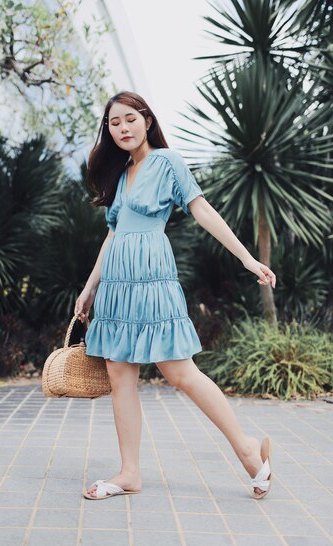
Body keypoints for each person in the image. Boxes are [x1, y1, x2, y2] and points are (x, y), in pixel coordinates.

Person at [75, 91, 276, 502]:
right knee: (119, 376)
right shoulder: (121, 173)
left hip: (152, 280)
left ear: (147, 121)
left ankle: (245, 447)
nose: (123, 128)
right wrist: (90, 286)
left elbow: (201, 209)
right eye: (114, 123)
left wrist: (247, 259)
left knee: (179, 371)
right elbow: (113, 234)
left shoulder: (167, 162)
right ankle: (129, 472)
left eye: (130, 119)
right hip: (116, 284)